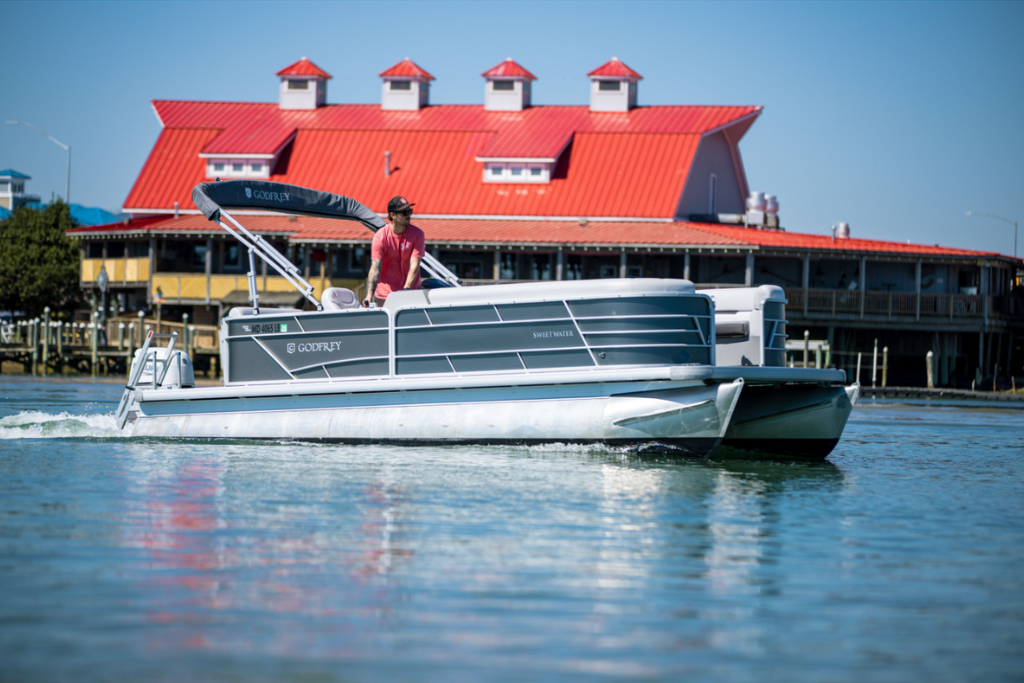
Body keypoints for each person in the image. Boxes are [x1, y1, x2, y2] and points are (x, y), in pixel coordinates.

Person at [362, 196, 426, 307]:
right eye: (404, 212)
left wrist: (406, 291)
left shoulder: (417, 234)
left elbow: (414, 266)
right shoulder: (380, 237)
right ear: (393, 215)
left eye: (409, 211)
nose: (409, 215)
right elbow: (375, 268)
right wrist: (369, 295)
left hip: (411, 291)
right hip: (386, 294)